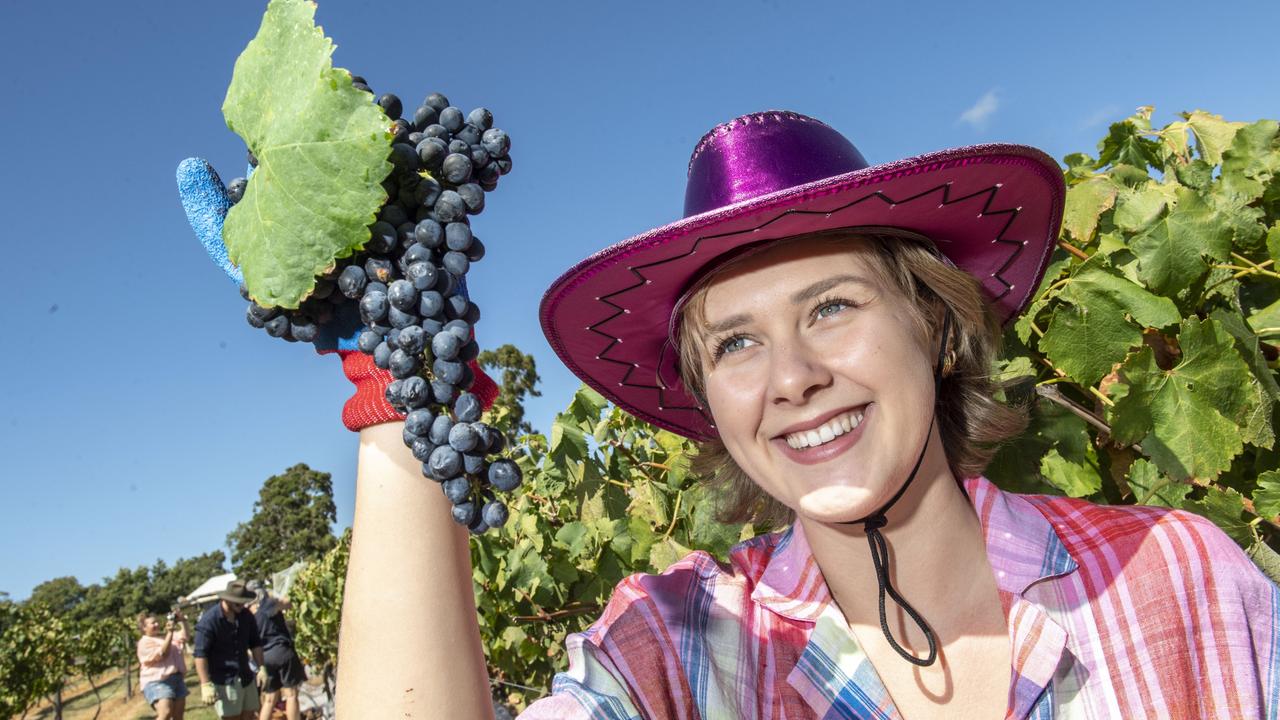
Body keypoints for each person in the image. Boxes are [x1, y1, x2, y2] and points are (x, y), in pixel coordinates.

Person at [181, 111, 1280, 718]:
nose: (789, 376)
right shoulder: (677, 649)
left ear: (936, 328)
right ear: (706, 400)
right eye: (735, 343)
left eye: (833, 307)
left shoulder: (1180, 578)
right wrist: (397, 401)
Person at [194, 579, 268, 720]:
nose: (242, 605)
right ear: (226, 599)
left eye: (244, 601)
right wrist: (205, 683)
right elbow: (200, 654)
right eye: (238, 602)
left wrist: (261, 667)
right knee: (232, 717)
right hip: (224, 679)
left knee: (250, 714)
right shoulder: (209, 621)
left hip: (246, 675)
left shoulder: (246, 616)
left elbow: (255, 643)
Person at [247, 581, 307, 720]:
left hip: (264, 657)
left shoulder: (248, 614)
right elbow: (289, 602)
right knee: (291, 695)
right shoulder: (268, 604)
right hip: (281, 651)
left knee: (269, 698)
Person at [137, 608, 192, 720]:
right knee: (165, 714)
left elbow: (185, 637)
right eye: (153, 623)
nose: (157, 624)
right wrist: (170, 633)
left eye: (157, 621)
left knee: (178, 716)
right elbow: (163, 654)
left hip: (176, 679)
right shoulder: (144, 643)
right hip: (157, 681)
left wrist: (182, 621)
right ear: (144, 627)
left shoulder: (164, 636)